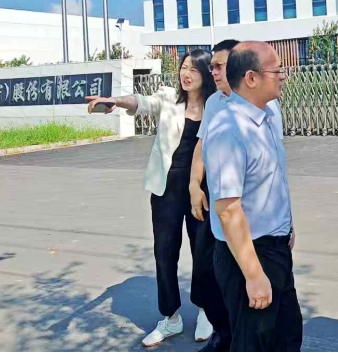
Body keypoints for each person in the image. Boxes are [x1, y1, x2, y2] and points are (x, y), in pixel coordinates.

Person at [86, 49, 216, 347]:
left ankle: (207, 310)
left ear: (207, 74)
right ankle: (171, 317)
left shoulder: (216, 106)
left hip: (202, 189)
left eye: (194, 70)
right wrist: (115, 101)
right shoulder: (169, 99)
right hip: (167, 189)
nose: (186, 74)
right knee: (165, 252)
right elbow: (142, 102)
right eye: (184, 68)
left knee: (204, 253)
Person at [203, 42, 302, 352]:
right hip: (248, 254)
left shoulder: (268, 115)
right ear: (251, 78)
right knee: (254, 342)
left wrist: (286, 225)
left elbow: (271, 180)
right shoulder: (229, 130)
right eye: (276, 70)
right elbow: (228, 209)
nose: (283, 76)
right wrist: (254, 275)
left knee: (286, 337)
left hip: (275, 249)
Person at [187, 39, 241, 352]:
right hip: (215, 201)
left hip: (247, 207)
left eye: (220, 66)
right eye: (212, 67)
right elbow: (201, 145)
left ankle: (239, 339)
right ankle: (223, 332)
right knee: (206, 276)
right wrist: (194, 184)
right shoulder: (214, 103)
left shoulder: (260, 104)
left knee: (244, 279)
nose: (214, 72)